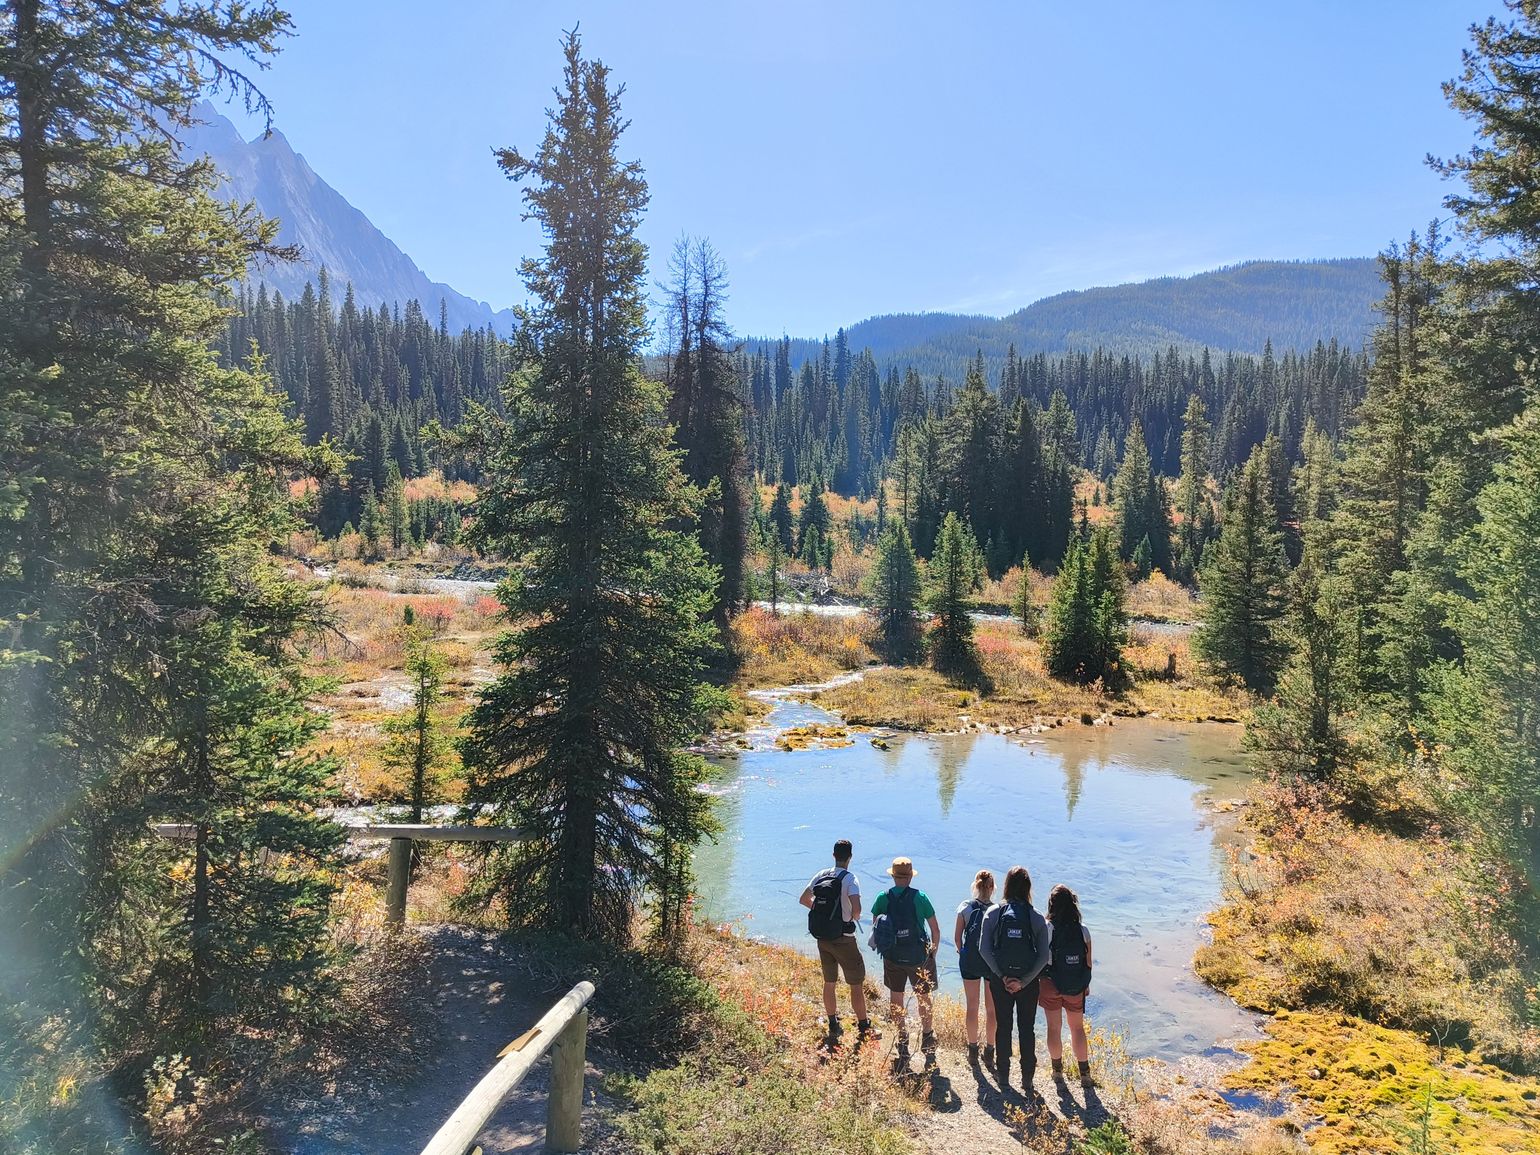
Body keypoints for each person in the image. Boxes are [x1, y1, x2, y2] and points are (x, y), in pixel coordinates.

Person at [977, 864, 1051, 1097]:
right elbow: (1043, 957)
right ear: (1028, 887)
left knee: (1004, 1026)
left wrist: (1001, 976)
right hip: (1028, 985)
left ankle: (1005, 1078)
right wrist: (1025, 981)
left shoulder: (994, 913)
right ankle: (1027, 1080)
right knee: (1026, 1029)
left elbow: (983, 949)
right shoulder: (1037, 918)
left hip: (1000, 982)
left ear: (1006, 886)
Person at [799, 838, 874, 1047]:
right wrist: (847, 917)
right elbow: (857, 912)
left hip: (822, 937)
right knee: (856, 984)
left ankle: (833, 1023)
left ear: (833, 855)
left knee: (829, 982)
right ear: (850, 857)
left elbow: (804, 899)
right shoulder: (851, 879)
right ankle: (863, 1026)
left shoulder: (821, 875)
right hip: (844, 939)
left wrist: (822, 913)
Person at [869, 856, 941, 1063]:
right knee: (923, 997)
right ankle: (927, 1035)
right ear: (910, 877)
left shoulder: (883, 898)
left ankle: (902, 1037)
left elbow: (877, 929)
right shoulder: (921, 898)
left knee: (896, 997)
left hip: (892, 956)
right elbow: (935, 929)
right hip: (918, 956)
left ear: (893, 877)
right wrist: (932, 953)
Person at [1042, 884, 1094, 1085]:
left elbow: (1042, 958)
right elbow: (1088, 962)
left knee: (1054, 1028)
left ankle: (1057, 1072)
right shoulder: (1083, 931)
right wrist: (1085, 984)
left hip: (1050, 984)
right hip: (1076, 984)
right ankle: (1085, 1074)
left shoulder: (1047, 928)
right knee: (1077, 1029)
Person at [954, 868, 998, 1067]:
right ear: (992, 888)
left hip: (969, 961)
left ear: (976, 886)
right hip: (990, 964)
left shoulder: (965, 907)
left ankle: (972, 1050)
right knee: (991, 1010)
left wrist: (962, 952)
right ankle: (990, 1050)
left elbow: (957, 939)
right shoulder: (998, 910)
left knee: (972, 1006)